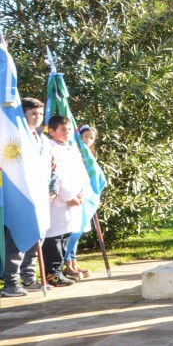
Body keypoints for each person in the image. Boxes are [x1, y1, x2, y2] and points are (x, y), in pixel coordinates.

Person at [1, 97, 53, 296]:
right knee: (16, 238)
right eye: (33, 113)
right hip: (18, 196)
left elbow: (51, 167)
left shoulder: (43, 139)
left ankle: (29, 278)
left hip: (39, 197)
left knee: (35, 235)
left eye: (40, 114)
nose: (38, 117)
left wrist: (53, 188)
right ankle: (11, 282)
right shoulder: (13, 139)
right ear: (22, 115)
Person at [43, 115, 91, 287]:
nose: (67, 132)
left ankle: (59, 270)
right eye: (63, 129)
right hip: (58, 201)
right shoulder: (50, 148)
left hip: (75, 201)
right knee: (54, 238)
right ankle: (52, 273)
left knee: (65, 237)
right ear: (52, 131)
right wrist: (69, 196)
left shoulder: (71, 149)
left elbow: (83, 174)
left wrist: (83, 193)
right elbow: (56, 176)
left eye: (69, 129)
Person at [63, 124, 98, 280]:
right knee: (71, 231)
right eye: (85, 137)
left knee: (78, 230)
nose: (88, 140)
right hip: (72, 198)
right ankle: (67, 263)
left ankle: (74, 261)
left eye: (91, 138)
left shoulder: (88, 156)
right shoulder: (73, 152)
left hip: (84, 197)